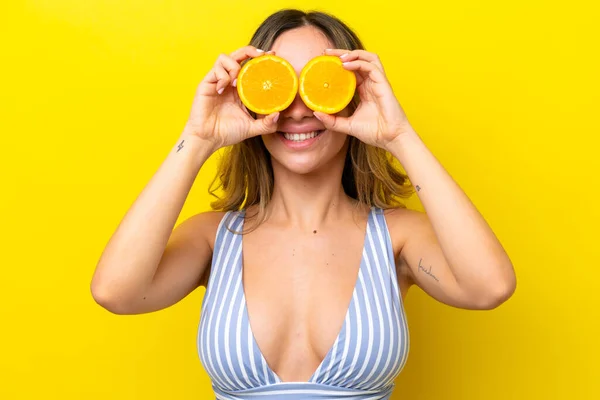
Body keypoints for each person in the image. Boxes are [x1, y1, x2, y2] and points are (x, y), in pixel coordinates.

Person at [91, 8, 517, 399]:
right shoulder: (211, 238)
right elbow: (115, 293)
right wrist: (200, 137)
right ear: (249, 95)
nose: (297, 110)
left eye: (318, 84)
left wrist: (398, 136)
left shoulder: (398, 238)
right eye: (279, 85)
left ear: (354, 92)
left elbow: (489, 287)